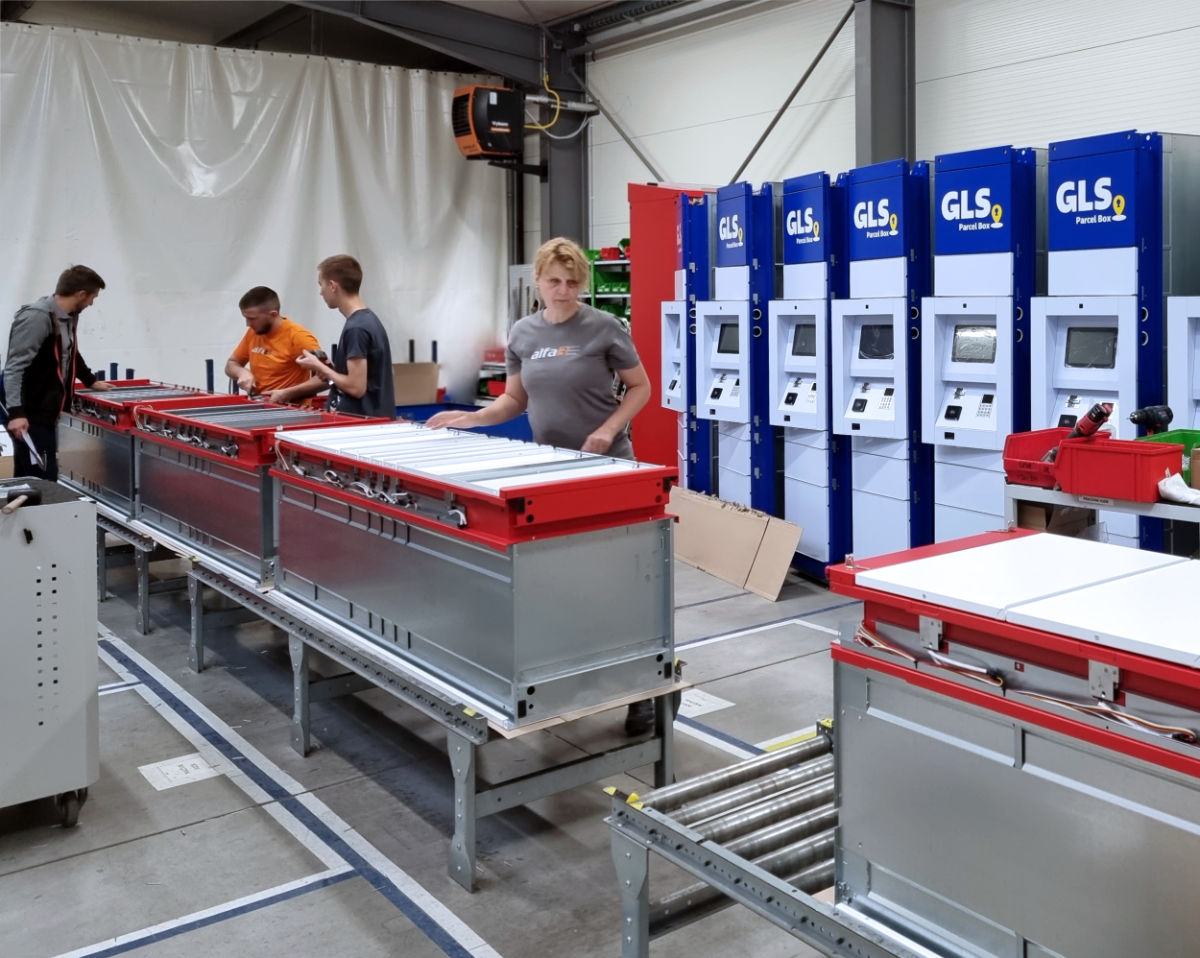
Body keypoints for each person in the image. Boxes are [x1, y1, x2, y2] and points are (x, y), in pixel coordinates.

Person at [426, 237, 653, 734]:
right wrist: (468, 419)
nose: (564, 290)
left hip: (606, 468)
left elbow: (642, 387)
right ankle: (575, 671)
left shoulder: (604, 327)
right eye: (555, 281)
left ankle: (645, 687)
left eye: (573, 282)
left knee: (620, 582)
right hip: (552, 469)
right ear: (538, 281)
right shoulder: (523, 334)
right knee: (564, 581)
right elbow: (512, 402)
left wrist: (608, 431)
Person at [3, 265, 113, 480]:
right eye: (93, 298)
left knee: (33, 477)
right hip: (30, 414)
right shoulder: (37, 318)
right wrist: (17, 413)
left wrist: (90, 380)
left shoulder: (66, 317)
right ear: (81, 294)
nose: (91, 303)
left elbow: (69, 352)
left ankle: (27, 510)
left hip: (46, 412)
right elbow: (14, 368)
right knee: (43, 479)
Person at [288, 255, 396, 419]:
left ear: (332, 286)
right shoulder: (366, 321)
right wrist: (334, 370)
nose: (320, 292)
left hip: (361, 427)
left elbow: (356, 387)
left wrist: (318, 366)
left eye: (321, 284)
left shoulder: (356, 328)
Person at [224, 286, 322, 403]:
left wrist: (288, 393)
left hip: (292, 413)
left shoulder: (299, 337)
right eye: (246, 318)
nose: (248, 324)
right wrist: (242, 373)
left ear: (273, 314)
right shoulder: (254, 332)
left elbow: (326, 378)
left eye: (252, 319)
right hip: (260, 407)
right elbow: (232, 364)